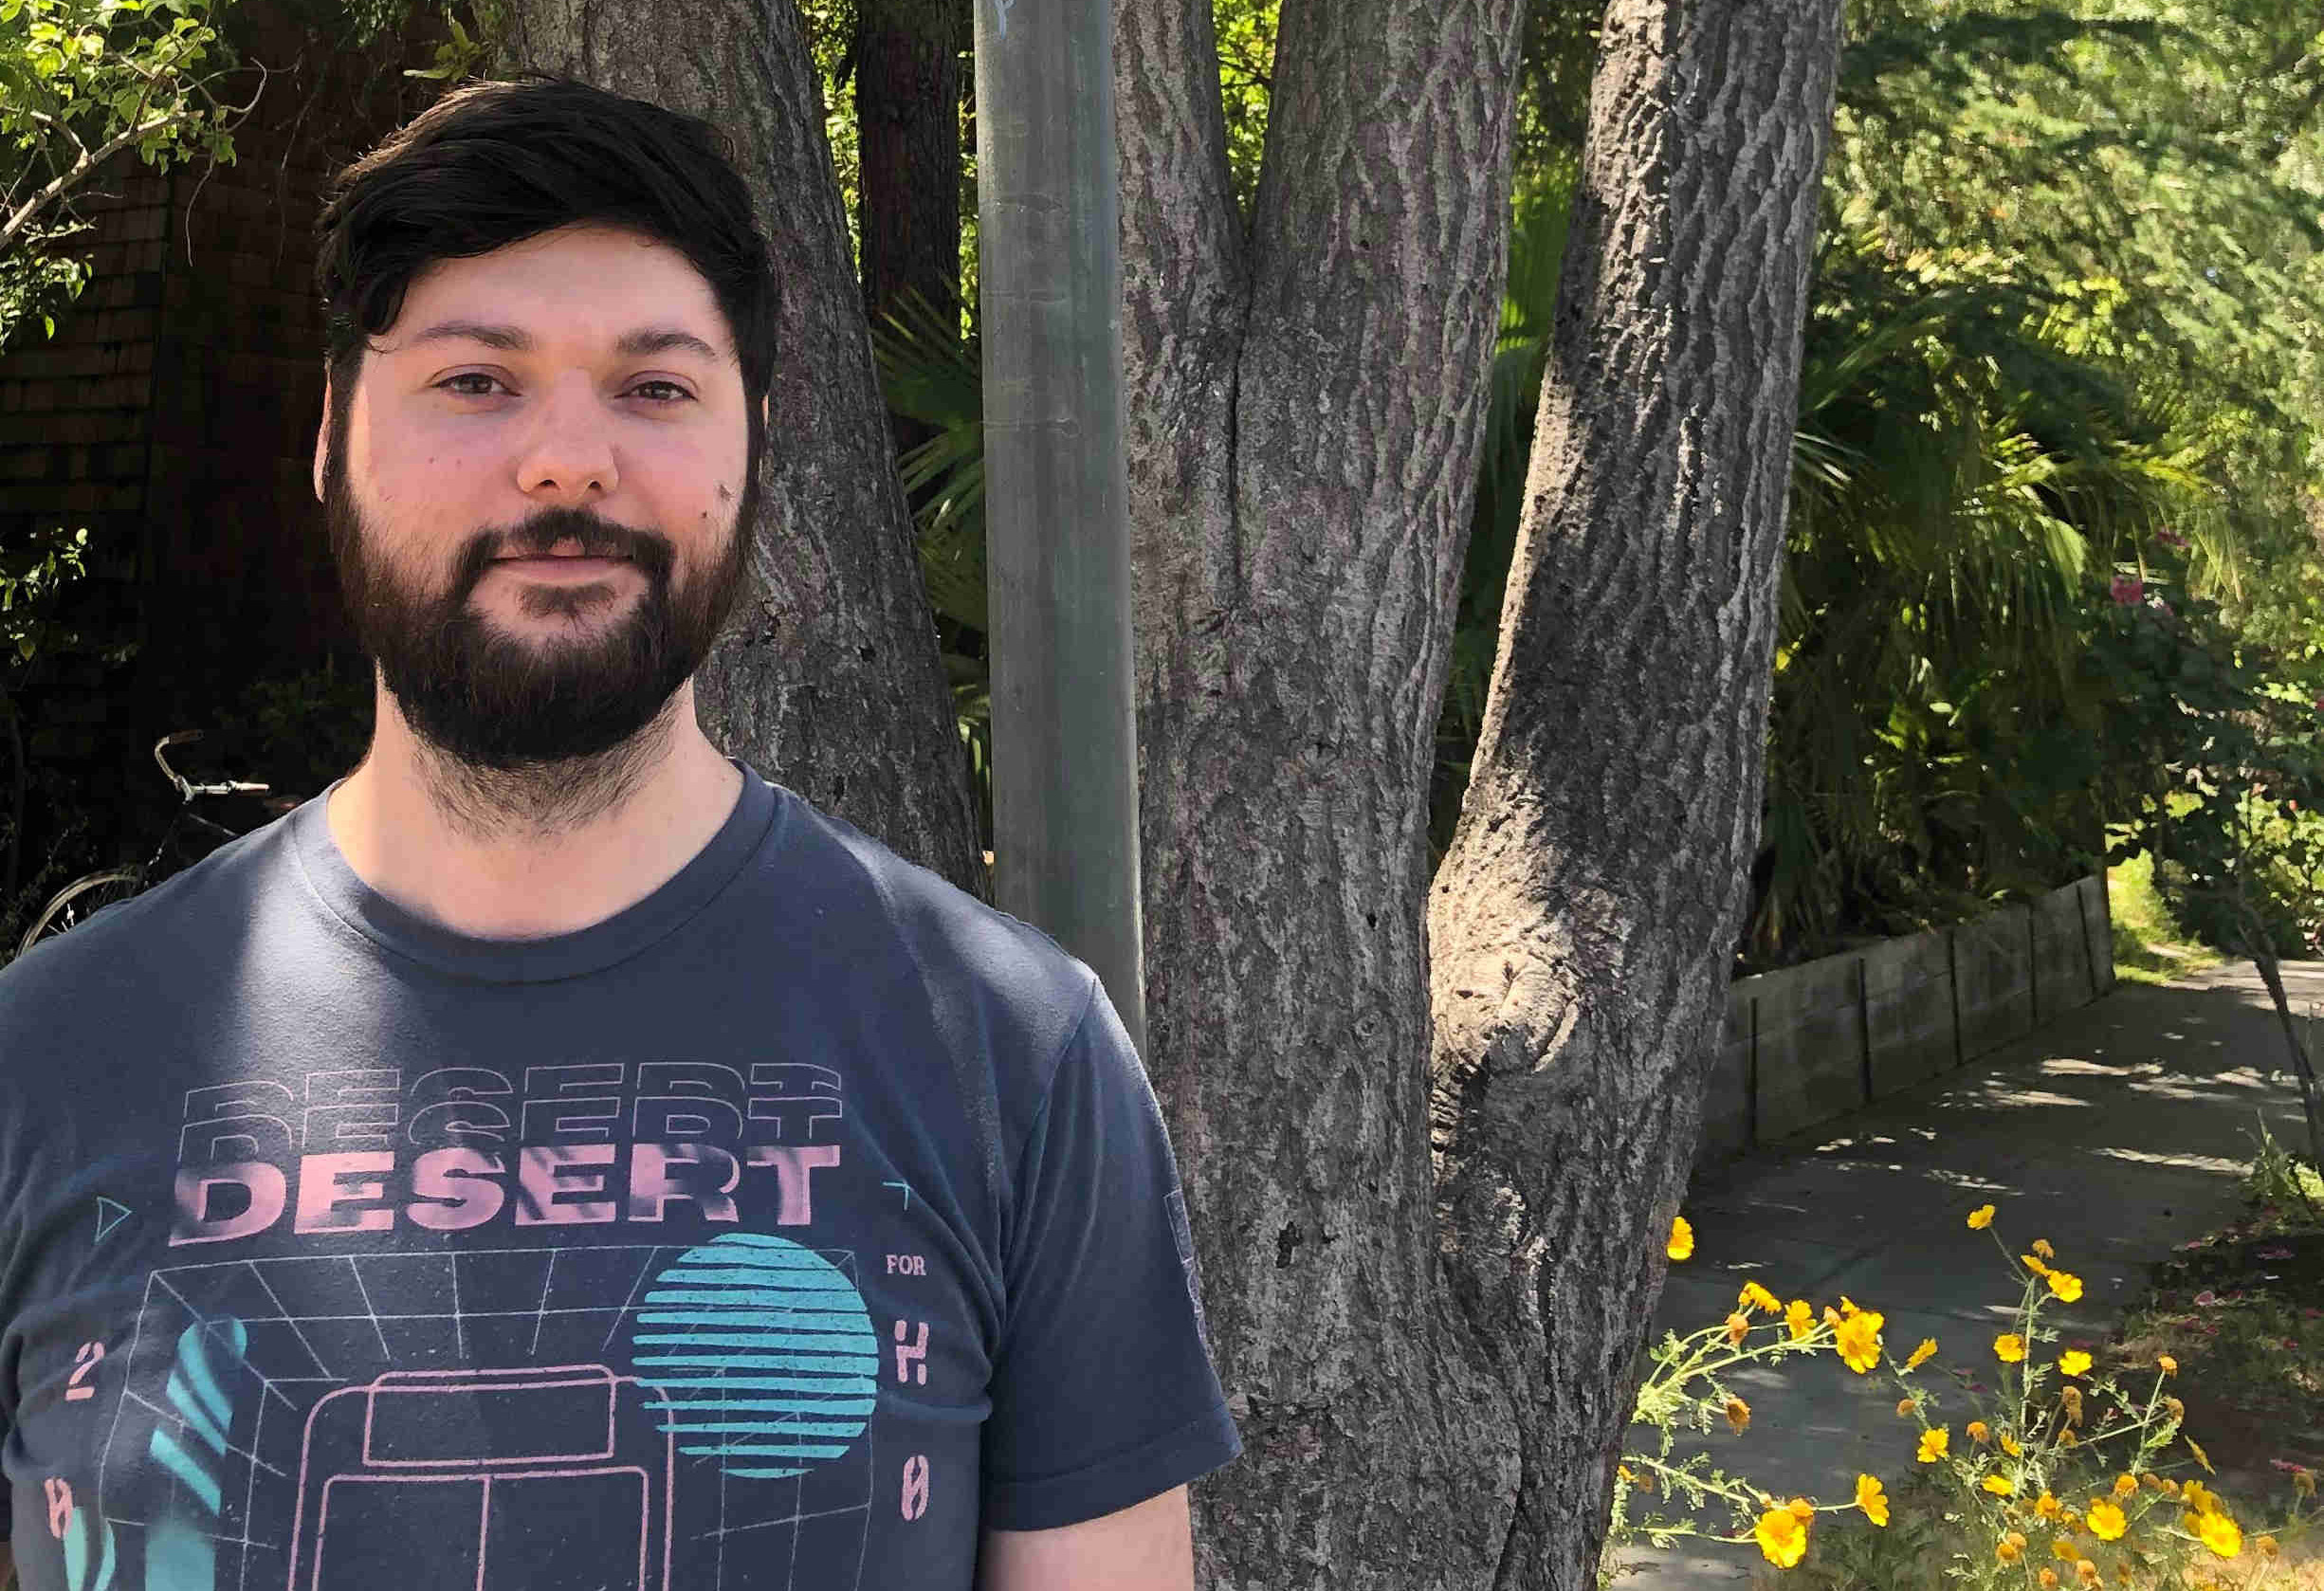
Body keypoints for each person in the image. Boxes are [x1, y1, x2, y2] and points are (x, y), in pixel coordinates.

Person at [0, 75, 1238, 1591]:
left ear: (753, 450)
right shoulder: (46, 1060)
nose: (566, 462)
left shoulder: (1015, 1055)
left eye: (655, 388)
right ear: (329, 438)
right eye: (475, 381)